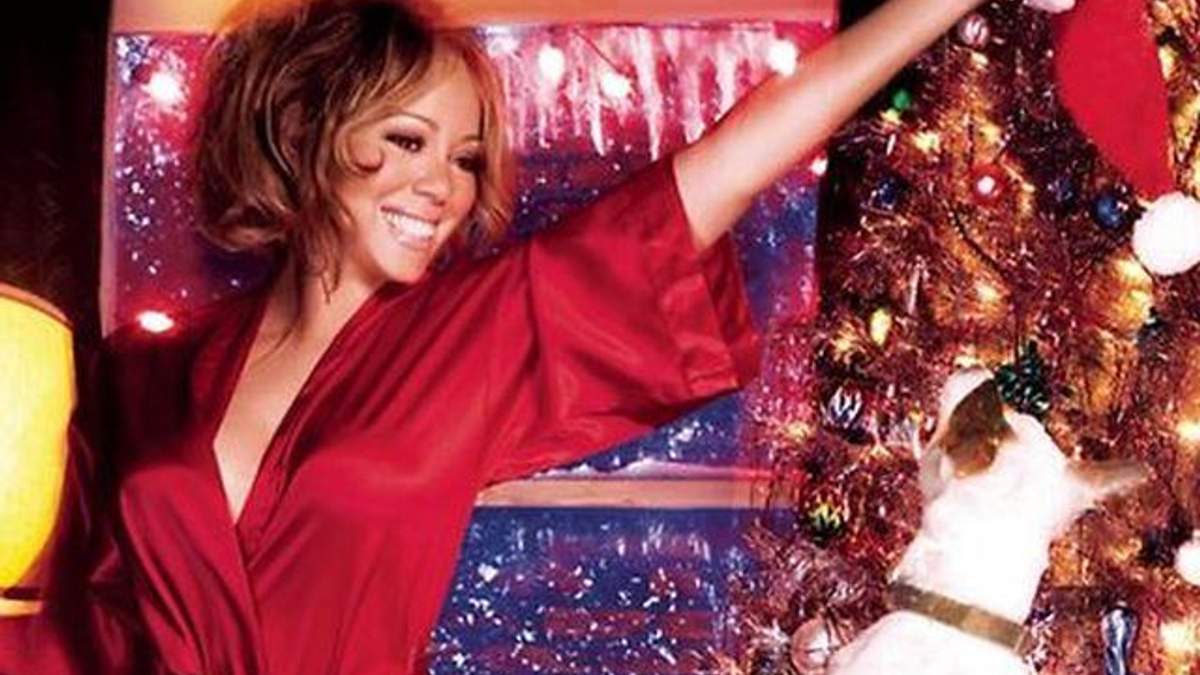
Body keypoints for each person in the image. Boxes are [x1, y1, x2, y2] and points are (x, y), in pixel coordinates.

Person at [0, 0, 994, 672]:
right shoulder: (144, 369)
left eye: (466, 158)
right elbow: (75, 631)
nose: (443, 186)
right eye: (407, 140)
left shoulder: (473, 333)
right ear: (302, 132)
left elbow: (735, 158)